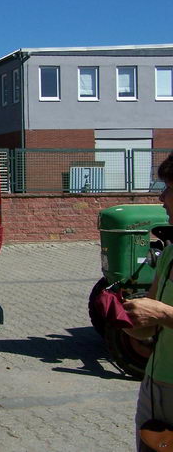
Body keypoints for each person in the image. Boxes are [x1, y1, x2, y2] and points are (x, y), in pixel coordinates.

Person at [125, 151, 173, 451]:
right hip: (156, 384)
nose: (162, 199)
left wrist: (161, 312)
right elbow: (151, 325)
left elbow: (162, 313)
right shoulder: (170, 252)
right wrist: (127, 320)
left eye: (169, 189)